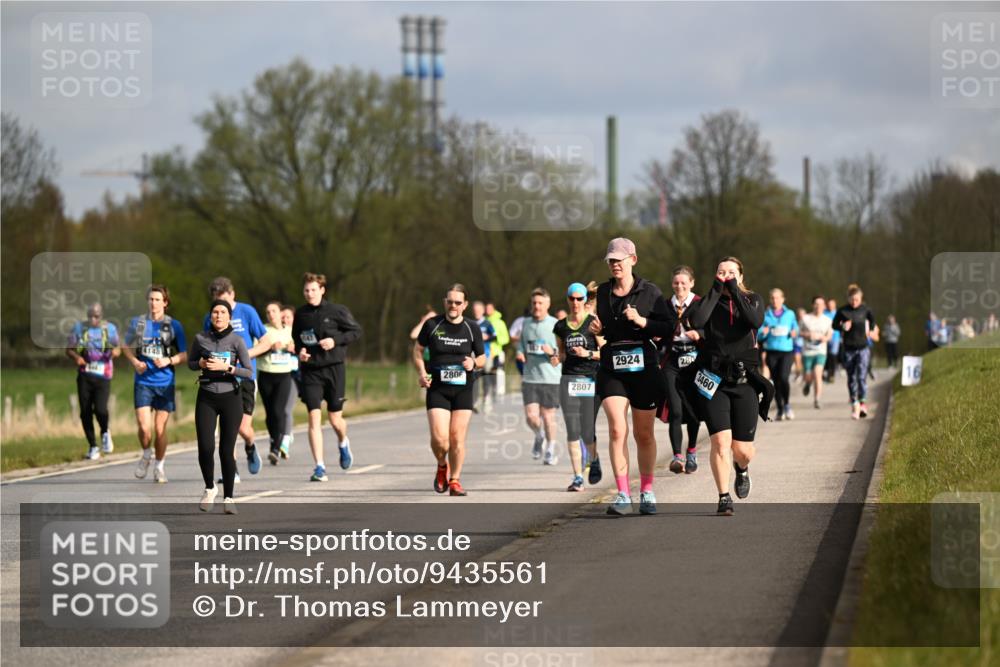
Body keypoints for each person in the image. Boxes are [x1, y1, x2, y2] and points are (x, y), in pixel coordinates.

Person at [591, 238, 673, 516]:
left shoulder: (650, 292)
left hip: (643, 368)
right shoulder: (603, 292)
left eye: (619, 260)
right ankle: (623, 494)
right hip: (612, 366)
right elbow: (607, 328)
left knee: (643, 434)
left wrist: (642, 321)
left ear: (633, 260)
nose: (614, 264)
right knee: (617, 429)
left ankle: (647, 491)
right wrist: (598, 329)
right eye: (611, 260)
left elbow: (668, 327)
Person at [686, 257, 768, 516]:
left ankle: (741, 469)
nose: (726, 276)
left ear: (741, 276)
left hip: (744, 382)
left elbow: (754, 321)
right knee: (721, 442)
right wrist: (715, 290)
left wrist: (734, 290)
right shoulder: (707, 302)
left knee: (743, 451)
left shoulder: (753, 299)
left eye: (732, 272)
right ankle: (723, 497)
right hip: (714, 380)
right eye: (721, 272)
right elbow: (697, 320)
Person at [412, 284, 486, 496]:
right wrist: (421, 373)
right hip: (438, 389)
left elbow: (482, 357)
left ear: (465, 305)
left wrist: (474, 363)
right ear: (445, 302)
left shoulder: (472, 327)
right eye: (450, 302)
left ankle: (454, 481)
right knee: (440, 440)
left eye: (457, 302)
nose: (453, 306)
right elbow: (417, 351)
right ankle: (442, 465)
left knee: (457, 438)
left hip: (463, 389)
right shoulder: (433, 324)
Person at [292, 272, 363, 482]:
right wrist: (300, 352)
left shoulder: (337, 311)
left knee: (335, 420)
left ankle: (343, 442)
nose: (310, 293)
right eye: (306, 290)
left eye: (313, 290)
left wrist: (335, 341)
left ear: (322, 290)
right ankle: (319, 467)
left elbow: (356, 331)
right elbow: (297, 340)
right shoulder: (300, 314)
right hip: (311, 371)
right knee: (314, 418)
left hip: (334, 369)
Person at [204, 277, 273, 479]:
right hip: (222, 378)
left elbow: (266, 342)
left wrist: (244, 354)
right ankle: (231, 471)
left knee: (243, 428)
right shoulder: (210, 318)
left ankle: (250, 445)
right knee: (228, 427)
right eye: (217, 301)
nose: (220, 307)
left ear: (232, 294)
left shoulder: (247, 312)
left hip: (245, 377)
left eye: (224, 299)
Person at [189, 300, 254, 515]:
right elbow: (190, 363)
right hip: (206, 396)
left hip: (230, 398)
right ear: (211, 316)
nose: (218, 315)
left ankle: (229, 497)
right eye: (215, 312)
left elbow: (248, 371)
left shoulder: (237, 340)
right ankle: (210, 488)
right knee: (205, 447)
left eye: (223, 312)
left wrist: (228, 367)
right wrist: (200, 364)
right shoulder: (201, 339)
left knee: (226, 450)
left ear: (229, 316)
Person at [123, 284, 187, 483]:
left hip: (165, 382)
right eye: (151, 299)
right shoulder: (138, 323)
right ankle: (145, 454)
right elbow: (125, 345)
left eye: (157, 300)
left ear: (165, 303)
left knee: (160, 429)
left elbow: (184, 354)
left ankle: (159, 467)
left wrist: (169, 360)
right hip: (143, 381)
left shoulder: (174, 326)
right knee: (144, 428)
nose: (153, 303)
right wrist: (135, 362)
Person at [554, 283, 603, 491]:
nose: (575, 302)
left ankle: (594, 458)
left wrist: (588, 353)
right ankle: (577, 478)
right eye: (572, 298)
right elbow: (562, 353)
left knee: (587, 429)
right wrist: (556, 357)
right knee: (573, 430)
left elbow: (606, 352)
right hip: (568, 380)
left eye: (579, 298)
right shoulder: (560, 326)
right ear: (568, 299)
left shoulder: (593, 323)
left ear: (585, 300)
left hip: (591, 379)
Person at [659, 266, 703, 475]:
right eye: (676, 283)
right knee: (675, 410)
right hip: (673, 362)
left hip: (695, 362)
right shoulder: (665, 305)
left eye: (683, 282)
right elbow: (656, 327)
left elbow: (711, 328)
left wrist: (700, 333)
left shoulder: (699, 303)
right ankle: (677, 456)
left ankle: (691, 451)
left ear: (691, 283)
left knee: (693, 412)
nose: (679, 286)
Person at [66, 303, 121, 460]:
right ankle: (93, 446)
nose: (92, 319)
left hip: (104, 375)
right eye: (90, 316)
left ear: (101, 316)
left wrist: (114, 353)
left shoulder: (109, 329)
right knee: (85, 412)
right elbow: (69, 349)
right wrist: (77, 358)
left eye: (96, 316)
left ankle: (105, 432)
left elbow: (118, 348)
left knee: (101, 409)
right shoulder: (79, 328)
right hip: (85, 374)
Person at [519, 288, 562, 465]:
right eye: (534, 303)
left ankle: (550, 449)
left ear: (548, 305)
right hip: (530, 378)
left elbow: (562, 354)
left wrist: (551, 352)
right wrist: (520, 353)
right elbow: (522, 345)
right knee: (531, 416)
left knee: (548, 416)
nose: (536, 306)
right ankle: (539, 435)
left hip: (550, 378)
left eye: (540, 303)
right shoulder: (526, 323)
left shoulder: (556, 324)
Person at [832, 284, 878, 420]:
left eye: (857, 299)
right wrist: (842, 326)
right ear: (848, 298)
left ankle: (862, 403)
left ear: (861, 298)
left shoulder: (866, 310)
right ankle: (854, 404)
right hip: (848, 348)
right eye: (852, 299)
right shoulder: (842, 311)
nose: (854, 302)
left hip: (863, 347)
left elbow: (872, 321)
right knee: (851, 377)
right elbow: (834, 325)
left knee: (861, 376)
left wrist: (871, 330)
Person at [258, 301, 296, 465]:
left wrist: (293, 348)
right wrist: (270, 348)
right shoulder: (262, 330)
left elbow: (300, 349)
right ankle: (274, 439)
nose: (270, 314)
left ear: (281, 313)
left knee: (278, 410)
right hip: (266, 374)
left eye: (273, 311)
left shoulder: (290, 331)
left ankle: (275, 448)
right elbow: (255, 352)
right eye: (268, 312)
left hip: (284, 376)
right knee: (269, 414)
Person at [758, 288, 799, 421]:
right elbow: (759, 335)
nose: (775, 300)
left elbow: (795, 327)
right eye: (773, 298)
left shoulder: (790, 314)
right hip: (771, 352)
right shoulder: (766, 315)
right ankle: (780, 409)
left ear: (783, 299)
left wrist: (794, 332)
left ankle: (787, 405)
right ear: (770, 300)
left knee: (784, 378)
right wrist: (763, 332)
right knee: (776, 381)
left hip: (786, 351)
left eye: (777, 298)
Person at [800, 296, 833, 409]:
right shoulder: (805, 318)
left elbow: (829, 334)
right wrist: (808, 335)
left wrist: (825, 338)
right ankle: (808, 383)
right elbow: (799, 332)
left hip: (820, 351)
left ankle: (817, 399)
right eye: (816, 304)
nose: (818, 306)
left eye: (821, 304)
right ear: (812, 305)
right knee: (808, 377)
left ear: (824, 306)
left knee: (818, 374)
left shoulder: (827, 320)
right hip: (807, 352)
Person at [280, 305, 299, 459]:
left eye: (288, 317)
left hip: (295, 375)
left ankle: (284, 442)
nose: (285, 320)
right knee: (279, 410)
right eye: (283, 317)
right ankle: (287, 431)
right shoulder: (276, 334)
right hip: (279, 375)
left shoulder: (299, 333)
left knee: (287, 409)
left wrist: (296, 348)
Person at [470, 301, 496, 413]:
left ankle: (486, 399)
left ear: (483, 311)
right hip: (474, 355)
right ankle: (475, 402)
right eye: (475, 310)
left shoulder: (487, 323)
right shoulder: (470, 323)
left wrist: (487, 337)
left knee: (486, 377)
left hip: (486, 354)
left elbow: (494, 336)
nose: (476, 312)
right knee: (475, 378)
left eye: (478, 310)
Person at [485, 302, 510, 402]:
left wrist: (495, 338)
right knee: (486, 373)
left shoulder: (500, 322)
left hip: (496, 352)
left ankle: (498, 394)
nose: (487, 310)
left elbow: (506, 338)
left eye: (489, 308)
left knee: (497, 372)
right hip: (485, 352)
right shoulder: (484, 321)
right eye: (486, 308)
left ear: (494, 309)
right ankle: (487, 394)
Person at [824, 298, 841, 383]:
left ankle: (832, 375)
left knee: (833, 356)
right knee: (825, 356)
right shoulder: (824, 313)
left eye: (832, 304)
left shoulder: (838, 313)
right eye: (829, 304)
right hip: (825, 337)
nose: (830, 306)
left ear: (835, 305)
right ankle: (825, 372)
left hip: (835, 338)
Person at [509, 308, 529, 375]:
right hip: (521, 351)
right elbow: (511, 335)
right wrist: (522, 338)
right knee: (523, 373)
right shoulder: (519, 321)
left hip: (534, 353)